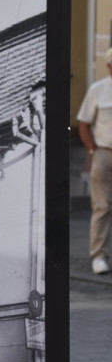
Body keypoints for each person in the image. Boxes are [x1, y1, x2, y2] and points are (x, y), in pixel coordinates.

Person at [77, 47, 112, 274]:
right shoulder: (98, 90)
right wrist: (92, 151)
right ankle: (98, 256)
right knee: (102, 206)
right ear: (109, 66)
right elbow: (83, 124)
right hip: (104, 153)